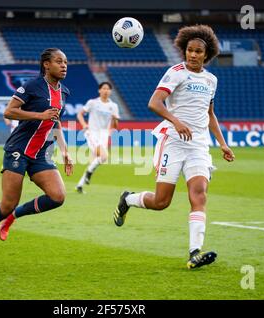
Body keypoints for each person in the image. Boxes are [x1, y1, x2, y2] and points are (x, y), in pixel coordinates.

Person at [112, 25, 235, 269]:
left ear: (206, 54)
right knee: (161, 202)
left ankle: (194, 253)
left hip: (199, 145)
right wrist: (176, 122)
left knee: (199, 194)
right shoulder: (176, 72)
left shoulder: (212, 79)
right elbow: (154, 103)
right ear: (184, 50)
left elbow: (210, 113)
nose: (192, 55)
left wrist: (222, 143)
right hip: (173, 143)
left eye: (198, 51)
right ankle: (128, 199)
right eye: (189, 50)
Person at [0, 48, 73, 265]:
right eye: (59, 61)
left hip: (41, 153)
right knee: (7, 203)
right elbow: (9, 111)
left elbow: (55, 121)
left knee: (57, 196)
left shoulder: (64, 92)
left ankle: (14, 217)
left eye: (66, 62)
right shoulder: (32, 86)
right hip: (18, 149)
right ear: (46, 65)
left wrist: (65, 150)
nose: (64, 65)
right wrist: (39, 115)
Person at [76, 82, 120, 193]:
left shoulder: (113, 106)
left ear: (110, 91)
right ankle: (89, 174)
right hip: (92, 133)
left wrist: (115, 119)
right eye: (104, 88)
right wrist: (84, 125)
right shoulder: (93, 103)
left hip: (103, 136)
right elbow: (80, 114)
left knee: (95, 160)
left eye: (108, 89)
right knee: (104, 156)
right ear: (99, 90)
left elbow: (115, 126)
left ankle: (79, 185)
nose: (106, 91)